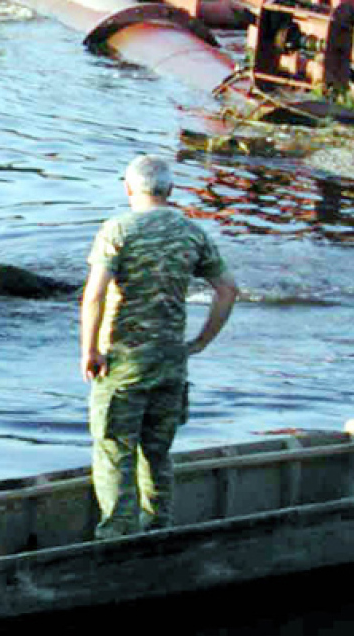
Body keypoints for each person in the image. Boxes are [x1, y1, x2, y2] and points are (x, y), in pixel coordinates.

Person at [79, 154, 237, 540]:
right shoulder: (191, 233)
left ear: (129, 188)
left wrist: (90, 351)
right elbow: (228, 291)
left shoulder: (118, 230)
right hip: (171, 361)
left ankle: (117, 536)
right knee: (157, 450)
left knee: (115, 450)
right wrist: (200, 341)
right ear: (170, 191)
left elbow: (94, 296)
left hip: (124, 363)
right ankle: (158, 529)